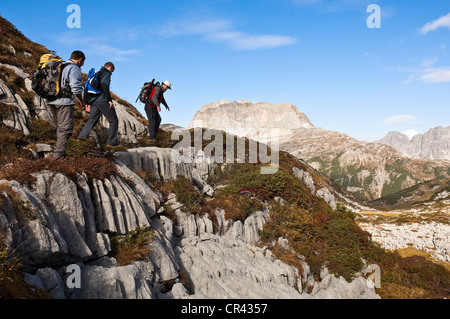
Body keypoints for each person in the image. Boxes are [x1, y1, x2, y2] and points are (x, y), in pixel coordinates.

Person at [47, 50, 87, 159]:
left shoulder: (60, 66)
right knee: (66, 128)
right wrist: (81, 101)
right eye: (82, 62)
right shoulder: (73, 68)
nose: (82, 65)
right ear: (80, 60)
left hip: (51, 100)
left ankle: (60, 152)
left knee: (60, 127)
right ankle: (58, 155)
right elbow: (76, 88)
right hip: (63, 102)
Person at [78, 62, 119, 147]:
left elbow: (86, 88)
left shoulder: (97, 73)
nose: (112, 73)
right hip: (103, 100)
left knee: (92, 120)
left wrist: (87, 102)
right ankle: (112, 143)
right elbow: (104, 85)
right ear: (110, 67)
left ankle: (81, 139)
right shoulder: (106, 73)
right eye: (112, 71)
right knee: (114, 121)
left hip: (94, 101)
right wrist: (109, 99)